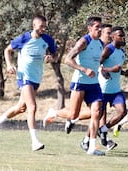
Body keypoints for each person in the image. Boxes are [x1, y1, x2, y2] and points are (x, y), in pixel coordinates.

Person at [0, 15, 57, 151]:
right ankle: (35, 141)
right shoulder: (24, 38)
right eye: (41, 26)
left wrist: (51, 58)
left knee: (21, 108)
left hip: (36, 77)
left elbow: (55, 55)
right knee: (32, 107)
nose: (43, 29)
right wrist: (9, 65)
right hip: (24, 77)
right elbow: (7, 50)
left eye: (45, 26)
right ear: (34, 25)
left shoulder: (47, 40)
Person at [43, 16, 105, 156]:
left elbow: (96, 62)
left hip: (94, 84)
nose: (100, 30)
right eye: (97, 27)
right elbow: (67, 60)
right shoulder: (84, 41)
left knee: (97, 112)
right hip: (80, 82)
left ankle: (92, 147)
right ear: (89, 28)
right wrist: (84, 69)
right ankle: (54, 113)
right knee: (73, 114)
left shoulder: (101, 43)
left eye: (101, 27)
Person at [96, 26, 128, 151]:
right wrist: (109, 70)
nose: (123, 37)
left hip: (115, 90)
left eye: (123, 35)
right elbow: (99, 64)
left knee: (122, 112)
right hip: (103, 89)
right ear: (113, 37)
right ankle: (91, 141)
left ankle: (103, 130)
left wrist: (123, 73)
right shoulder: (108, 49)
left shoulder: (122, 52)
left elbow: (116, 68)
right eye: (120, 35)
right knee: (98, 117)